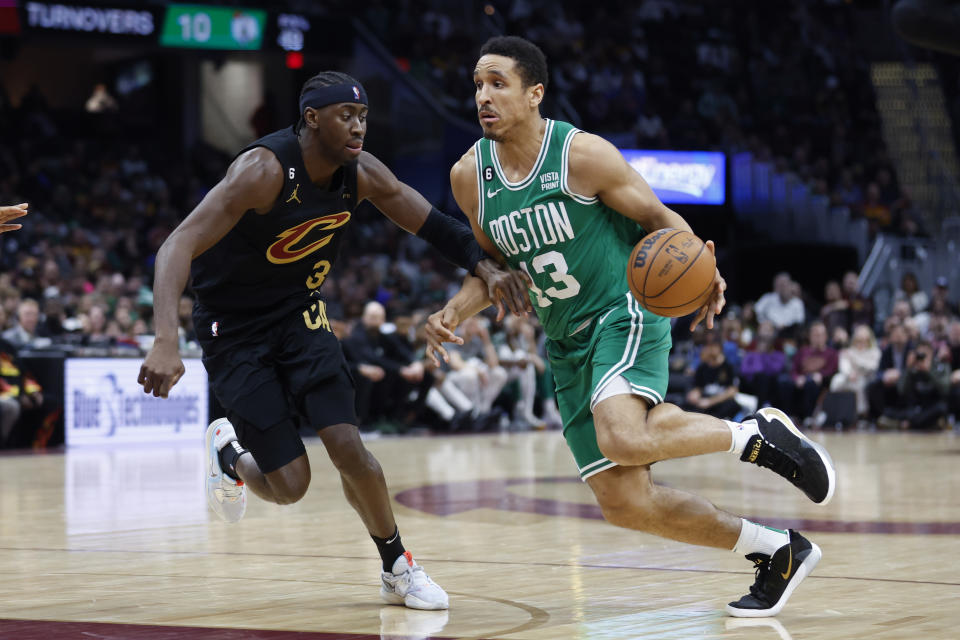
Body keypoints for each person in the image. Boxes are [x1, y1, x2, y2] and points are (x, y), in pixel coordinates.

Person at [423, 36, 836, 618]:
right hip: (564, 338)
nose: (482, 97)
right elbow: (497, 270)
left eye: (498, 83)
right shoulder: (471, 176)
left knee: (623, 435)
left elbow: (656, 217)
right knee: (625, 502)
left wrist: (704, 264)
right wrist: (452, 312)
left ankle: (755, 436)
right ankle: (776, 551)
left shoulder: (581, 155)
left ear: (535, 93)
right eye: (477, 85)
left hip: (624, 309)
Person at [137, 71, 530, 611]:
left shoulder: (362, 173)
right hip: (234, 328)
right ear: (312, 119)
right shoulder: (262, 171)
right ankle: (231, 457)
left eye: (364, 116)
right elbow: (176, 245)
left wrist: (486, 267)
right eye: (346, 116)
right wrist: (165, 339)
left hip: (301, 314)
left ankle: (397, 566)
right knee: (290, 484)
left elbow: (435, 224)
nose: (359, 127)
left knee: (349, 446)